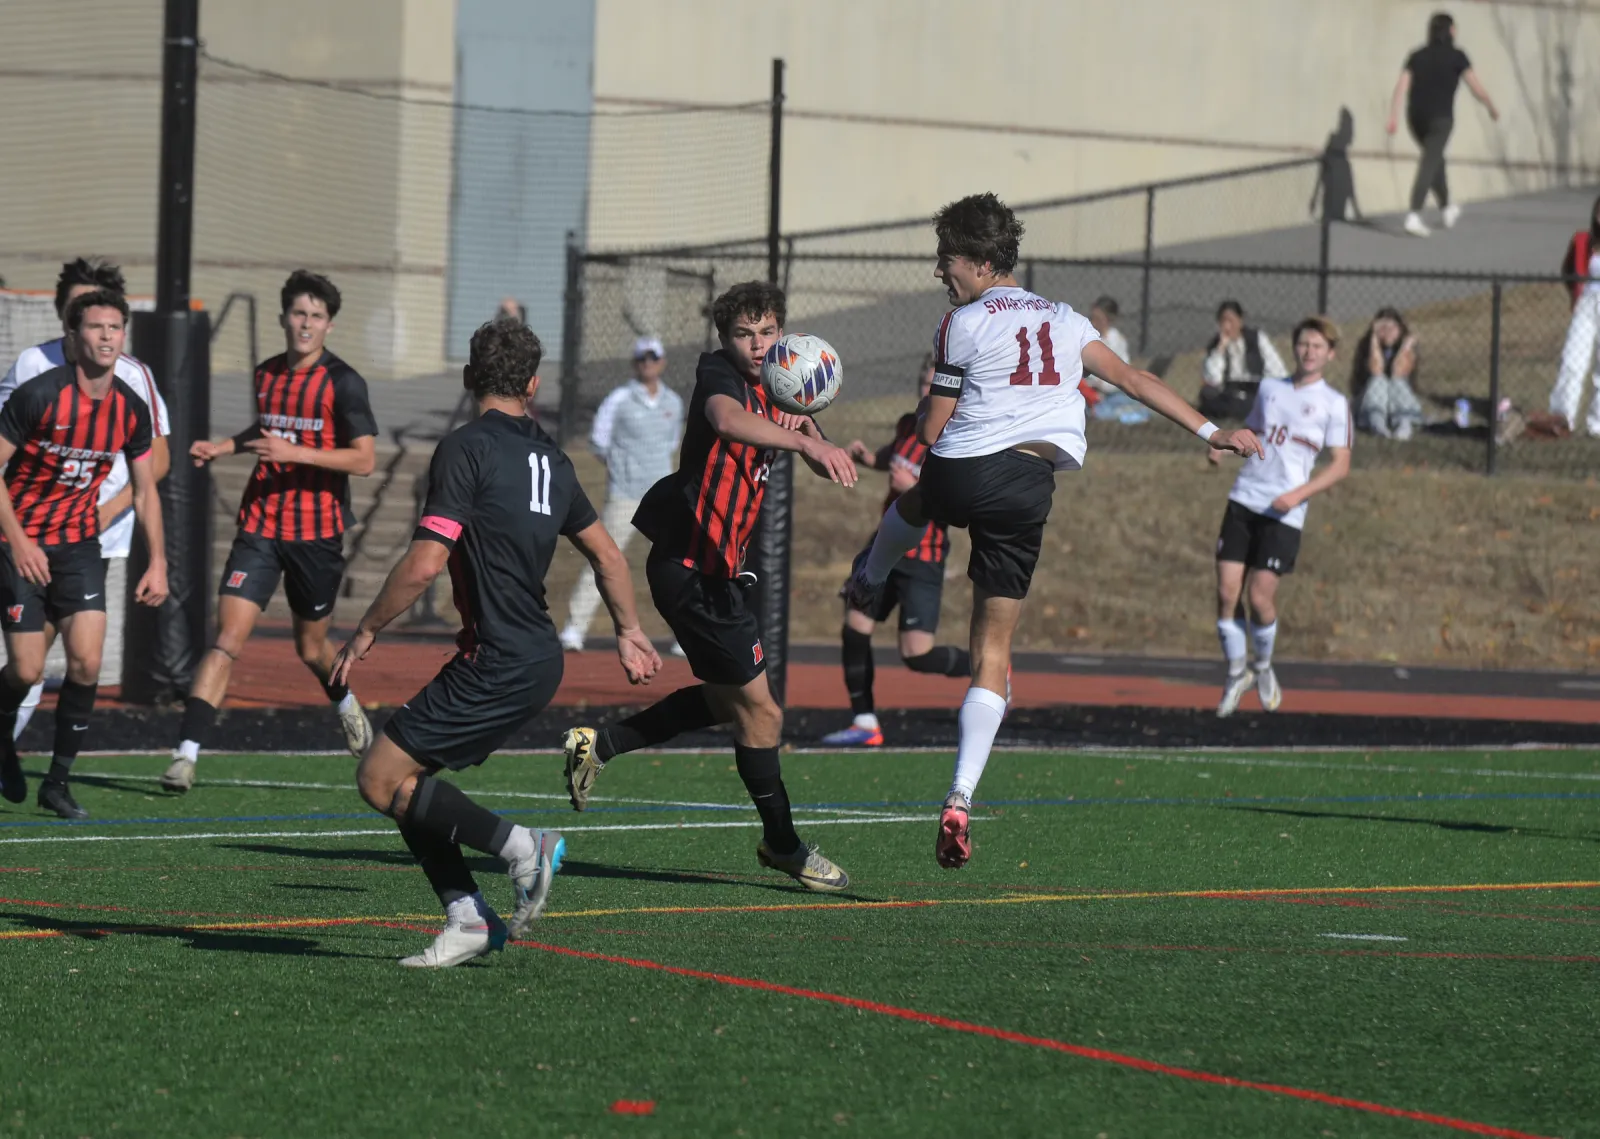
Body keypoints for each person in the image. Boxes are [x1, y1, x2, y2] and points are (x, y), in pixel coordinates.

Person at [842, 193, 1262, 869]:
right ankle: (959, 796)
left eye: (945, 260)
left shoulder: (964, 320)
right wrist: (1215, 431)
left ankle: (871, 572)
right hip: (1027, 487)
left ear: (979, 263)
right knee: (992, 654)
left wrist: (928, 403)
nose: (939, 273)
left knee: (920, 498)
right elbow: (1131, 377)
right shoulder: (1064, 319)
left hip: (962, 470)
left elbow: (930, 431)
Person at [330, 316, 660, 968]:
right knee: (406, 780)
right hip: (535, 657)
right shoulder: (554, 460)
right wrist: (627, 630)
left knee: (377, 777)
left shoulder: (465, 449)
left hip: (501, 657)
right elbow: (608, 556)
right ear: (533, 385)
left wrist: (366, 626)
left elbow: (426, 562)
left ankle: (520, 848)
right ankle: (467, 915)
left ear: (467, 377)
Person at [560, 281, 860, 892]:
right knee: (763, 712)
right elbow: (728, 420)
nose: (757, 345)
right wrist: (805, 439)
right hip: (691, 568)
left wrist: (824, 444)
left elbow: (801, 422)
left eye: (768, 331)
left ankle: (600, 744)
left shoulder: (782, 379)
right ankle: (784, 845)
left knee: (730, 704)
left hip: (722, 570)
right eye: (744, 334)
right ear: (725, 340)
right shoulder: (716, 374)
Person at [161, 271, 377, 793]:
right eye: (299, 313)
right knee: (227, 641)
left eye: (316, 316)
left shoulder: (343, 382)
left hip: (316, 534)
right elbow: (266, 430)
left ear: (329, 325)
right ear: (285, 317)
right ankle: (185, 755)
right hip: (259, 525)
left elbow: (365, 460)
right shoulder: (266, 373)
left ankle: (345, 701)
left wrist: (294, 452)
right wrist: (223, 447)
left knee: (311, 649)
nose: (306, 324)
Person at [0, 291, 168, 817]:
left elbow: (146, 489)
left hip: (78, 546)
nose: (106, 337)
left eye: (114, 327)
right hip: (18, 544)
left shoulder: (129, 406)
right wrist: (21, 541)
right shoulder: (38, 395)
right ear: (73, 337)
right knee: (27, 671)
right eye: (95, 327)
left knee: (87, 661)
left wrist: (158, 561)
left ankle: (57, 782)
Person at [822, 355, 970, 748]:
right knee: (856, 622)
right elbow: (894, 458)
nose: (927, 391)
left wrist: (913, 489)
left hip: (924, 556)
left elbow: (959, 504)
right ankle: (865, 721)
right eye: (923, 383)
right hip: (886, 547)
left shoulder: (958, 434)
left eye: (934, 385)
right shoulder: (911, 423)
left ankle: (988, 668)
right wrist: (869, 458)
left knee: (916, 655)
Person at [1210, 317, 1352, 718]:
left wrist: (1298, 495)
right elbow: (1254, 430)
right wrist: (1223, 446)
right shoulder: (1271, 389)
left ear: (1330, 354)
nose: (1309, 351)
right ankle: (1237, 672)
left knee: (1259, 595)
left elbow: (1340, 464)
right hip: (1245, 498)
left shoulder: (1334, 403)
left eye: (1318, 346)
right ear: (1295, 347)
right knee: (1226, 592)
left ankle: (1262, 665)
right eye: (1304, 344)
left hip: (1284, 510)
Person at [560, 335, 684, 652]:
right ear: (634, 363)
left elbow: (671, 443)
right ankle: (575, 628)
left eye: (653, 358)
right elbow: (599, 443)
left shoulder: (673, 402)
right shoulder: (619, 399)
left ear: (663, 362)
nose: (648, 364)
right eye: (642, 358)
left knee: (678, 563)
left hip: (663, 496)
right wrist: (622, 467)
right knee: (603, 558)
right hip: (625, 494)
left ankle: (685, 635)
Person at [1386, 11, 1499, 238]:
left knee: (1435, 159)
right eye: (1454, 28)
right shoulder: (1457, 56)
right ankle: (1414, 215)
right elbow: (1475, 86)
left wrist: (1393, 116)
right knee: (1430, 162)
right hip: (1441, 120)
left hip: (1415, 119)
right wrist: (1490, 106)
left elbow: (1401, 86)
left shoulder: (1417, 55)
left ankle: (1447, 208)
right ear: (1449, 31)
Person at [1549, 194, 1600, 436]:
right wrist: (1576, 294)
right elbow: (1568, 269)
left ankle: (1597, 424)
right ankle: (1562, 418)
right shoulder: (1582, 240)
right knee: (1572, 360)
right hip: (1586, 306)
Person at [1199, 301, 1288, 422]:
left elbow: (1278, 371)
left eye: (1231, 321)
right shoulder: (1215, 345)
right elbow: (1213, 380)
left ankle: (1247, 409)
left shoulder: (1257, 339)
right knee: (1207, 394)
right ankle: (1246, 410)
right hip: (1229, 392)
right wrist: (1220, 349)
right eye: (1223, 321)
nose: (1227, 326)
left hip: (1255, 387)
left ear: (1240, 321)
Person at [1352, 307, 1423, 439]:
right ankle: (1377, 424)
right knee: (1378, 381)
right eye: (1382, 328)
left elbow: (1398, 372)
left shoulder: (1407, 347)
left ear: (1400, 329)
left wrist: (1405, 346)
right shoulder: (1367, 345)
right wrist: (1374, 338)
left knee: (1397, 382)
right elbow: (1376, 371)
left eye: (1392, 328)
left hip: (1400, 402)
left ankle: (1404, 424)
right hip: (1368, 403)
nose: (1387, 332)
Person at [1084, 296, 1148, 423]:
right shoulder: (1088, 337)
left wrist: (1101, 386)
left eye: (1098, 319)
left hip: (1111, 392)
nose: (1093, 323)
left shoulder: (1116, 340)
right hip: (1092, 392)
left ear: (1109, 320)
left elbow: (1121, 373)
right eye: (1092, 318)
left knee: (1119, 405)